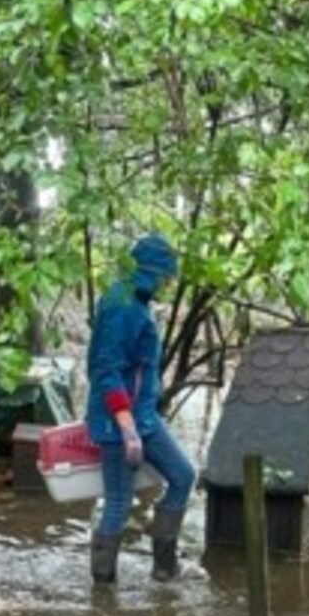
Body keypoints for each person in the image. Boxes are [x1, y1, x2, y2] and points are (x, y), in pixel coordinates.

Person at [85, 233, 196, 584]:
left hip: (144, 416)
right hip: (120, 421)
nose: (167, 284)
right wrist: (126, 426)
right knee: (118, 501)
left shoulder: (136, 299)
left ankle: (165, 567)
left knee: (182, 475)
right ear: (151, 269)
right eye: (166, 276)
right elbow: (105, 369)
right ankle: (103, 592)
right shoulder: (122, 305)